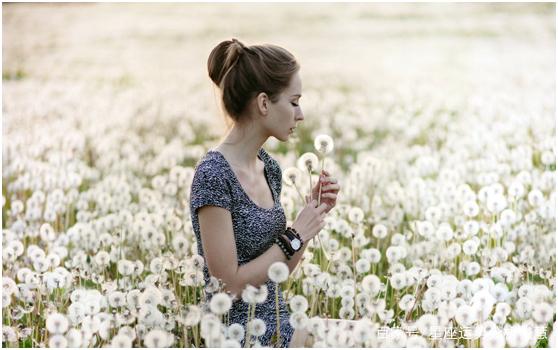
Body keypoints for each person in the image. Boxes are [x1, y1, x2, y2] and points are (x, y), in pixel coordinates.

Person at [189, 38, 341, 347]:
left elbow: (278, 269)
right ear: (263, 103)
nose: (301, 115)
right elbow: (227, 286)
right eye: (294, 101)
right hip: (239, 335)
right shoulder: (213, 176)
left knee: (374, 334)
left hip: (278, 320)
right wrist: (295, 234)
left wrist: (312, 214)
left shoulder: (269, 168)